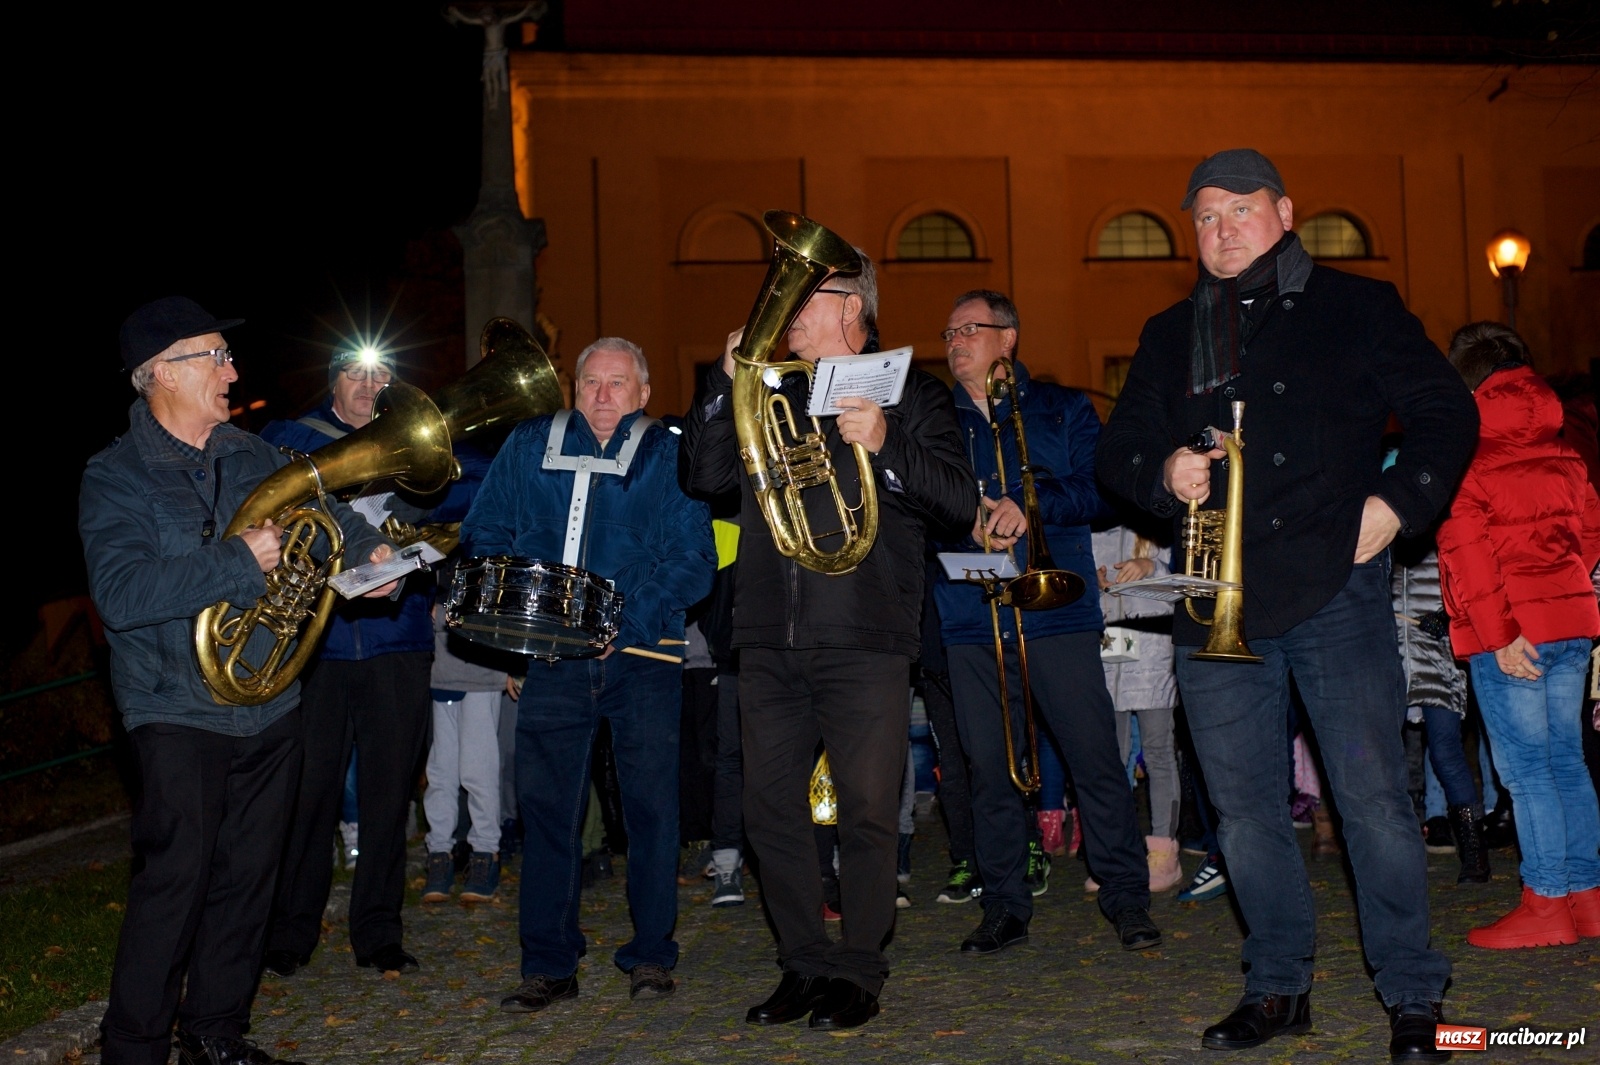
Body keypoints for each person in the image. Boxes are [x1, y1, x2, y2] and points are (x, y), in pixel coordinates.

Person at [1096, 148, 1477, 1062]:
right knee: (1244, 813)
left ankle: (1414, 994)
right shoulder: (1168, 331)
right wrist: (1164, 469)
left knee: (1375, 800)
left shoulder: (1357, 307)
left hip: (1334, 594)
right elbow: (1118, 458)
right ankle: (1276, 984)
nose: (1220, 230)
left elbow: (1445, 413)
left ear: (1285, 211)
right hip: (1214, 602)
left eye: (1239, 210)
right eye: (1205, 218)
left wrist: (1395, 506)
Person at [81, 297, 394, 1065]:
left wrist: (369, 559)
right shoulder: (113, 475)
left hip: (267, 700)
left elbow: (327, 512)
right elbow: (121, 595)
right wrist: (236, 561)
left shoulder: (254, 454)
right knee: (176, 883)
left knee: (251, 878)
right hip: (175, 704)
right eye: (214, 356)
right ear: (160, 375)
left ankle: (216, 1033)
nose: (232, 370)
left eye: (227, 355)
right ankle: (134, 1046)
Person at [680, 249, 973, 1030]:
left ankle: (861, 966)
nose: (788, 314)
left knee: (869, 809)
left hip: (867, 632)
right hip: (768, 633)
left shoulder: (914, 391)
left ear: (853, 308)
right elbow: (704, 474)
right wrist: (725, 374)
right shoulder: (768, 388)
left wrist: (886, 441)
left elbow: (957, 500)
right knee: (768, 807)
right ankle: (803, 962)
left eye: (804, 300)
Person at [462, 337, 716, 1011]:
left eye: (617, 383)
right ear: (574, 389)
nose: (603, 395)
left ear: (643, 392)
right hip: (551, 660)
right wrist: (514, 630)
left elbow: (692, 561)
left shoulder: (667, 452)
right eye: (591, 382)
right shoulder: (526, 445)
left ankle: (652, 954)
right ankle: (548, 962)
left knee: (652, 812)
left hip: (644, 659)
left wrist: (623, 628)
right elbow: (485, 533)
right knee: (547, 814)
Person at [932, 289, 1161, 957]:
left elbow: (1104, 490)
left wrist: (1034, 505)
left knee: (1094, 756)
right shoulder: (937, 421)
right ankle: (1003, 902)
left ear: (1008, 338)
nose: (954, 341)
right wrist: (961, 514)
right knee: (987, 765)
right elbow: (914, 496)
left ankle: (1125, 894)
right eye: (948, 332)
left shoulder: (1061, 409)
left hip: (1056, 609)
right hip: (971, 613)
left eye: (969, 328)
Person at [261, 348, 481, 978]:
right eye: (356, 372)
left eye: (382, 375)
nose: (368, 385)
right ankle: (289, 931)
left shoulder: (415, 445)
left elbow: (460, 503)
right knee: (309, 794)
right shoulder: (292, 437)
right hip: (316, 644)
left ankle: (379, 933)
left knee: (388, 796)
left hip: (396, 637)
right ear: (333, 378)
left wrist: (412, 500)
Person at [1435, 322, 1600, 949]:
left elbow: (1467, 554)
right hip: (1569, 622)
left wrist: (1503, 630)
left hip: (1510, 633)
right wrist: (1557, 592)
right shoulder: (1564, 449)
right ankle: (1587, 898)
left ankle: (1547, 904)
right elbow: (1590, 531)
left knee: (1528, 773)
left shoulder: (1469, 458)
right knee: (1567, 763)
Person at [1093, 523, 1183, 893]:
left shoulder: (1158, 520)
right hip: (1110, 639)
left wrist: (1150, 569)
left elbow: (1185, 581)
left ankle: (1164, 851)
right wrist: (1093, 577)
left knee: (1159, 750)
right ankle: (1119, 852)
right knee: (1113, 755)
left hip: (1152, 641)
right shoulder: (1093, 526)